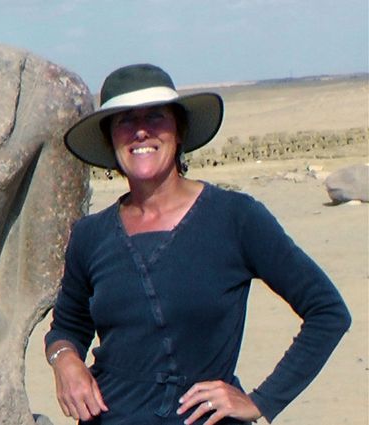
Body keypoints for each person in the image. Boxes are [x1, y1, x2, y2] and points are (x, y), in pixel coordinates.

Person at [44, 64, 351, 425]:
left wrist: (262, 401)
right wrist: (65, 360)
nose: (140, 131)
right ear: (110, 140)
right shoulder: (90, 234)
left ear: (179, 131)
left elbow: (327, 311)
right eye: (125, 120)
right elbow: (67, 327)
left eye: (155, 116)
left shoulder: (235, 218)